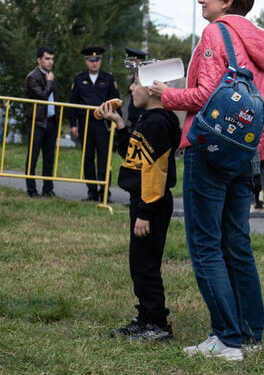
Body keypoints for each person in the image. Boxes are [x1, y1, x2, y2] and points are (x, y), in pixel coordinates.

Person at [151, 0, 264, 361]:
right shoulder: (263, 44)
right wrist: (247, 132)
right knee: (237, 242)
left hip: (209, 151)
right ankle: (250, 333)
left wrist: (167, 94)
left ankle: (227, 338)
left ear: (226, 1)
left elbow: (206, 94)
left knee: (205, 243)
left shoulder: (216, 34)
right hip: (249, 157)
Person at [98, 80, 181, 342]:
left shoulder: (158, 122)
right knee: (139, 262)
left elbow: (155, 172)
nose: (131, 90)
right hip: (145, 199)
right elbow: (133, 157)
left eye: (135, 84)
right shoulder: (149, 118)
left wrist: (145, 211)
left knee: (146, 265)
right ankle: (145, 316)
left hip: (151, 202)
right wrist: (119, 124)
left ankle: (157, 323)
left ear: (153, 89)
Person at [69, 46, 119, 201]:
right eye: (91, 60)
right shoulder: (79, 79)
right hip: (85, 123)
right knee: (88, 157)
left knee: (105, 158)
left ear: (101, 61)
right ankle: (91, 191)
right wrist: (73, 124)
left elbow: (116, 102)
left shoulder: (109, 78)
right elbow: (73, 103)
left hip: (103, 124)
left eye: (97, 60)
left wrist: (114, 124)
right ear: (86, 61)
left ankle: (104, 192)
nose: (94, 63)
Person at [24, 47, 59, 199]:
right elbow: (43, 96)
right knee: (33, 156)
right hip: (37, 122)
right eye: (47, 58)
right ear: (39, 60)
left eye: (52, 59)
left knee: (49, 158)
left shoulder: (51, 76)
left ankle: (48, 189)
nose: (50, 62)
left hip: (51, 121)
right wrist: (49, 82)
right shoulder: (33, 77)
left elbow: (54, 99)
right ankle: (31, 190)